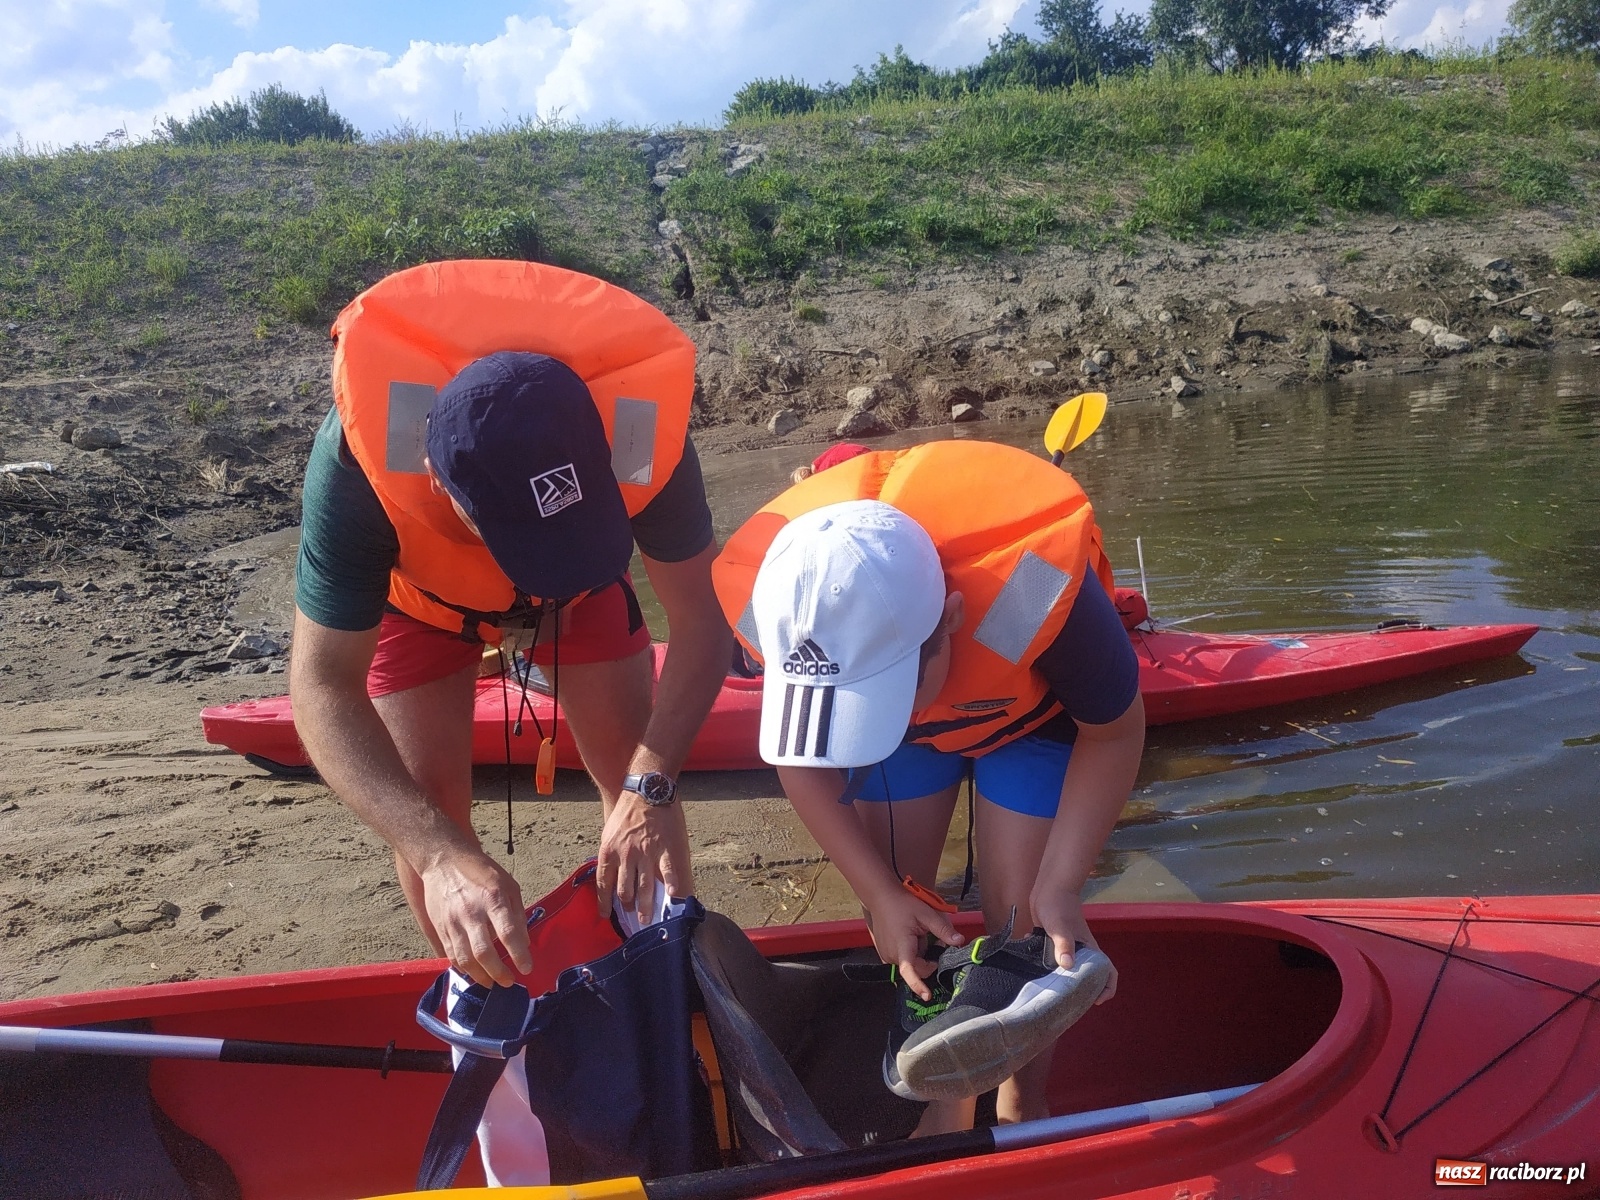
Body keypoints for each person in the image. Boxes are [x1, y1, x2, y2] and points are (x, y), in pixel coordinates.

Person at [289, 261, 733, 990]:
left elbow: (703, 622)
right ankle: (491, 1002)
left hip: (581, 589)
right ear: (439, 483)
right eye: (524, 544)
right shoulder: (358, 473)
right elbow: (321, 685)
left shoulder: (641, 433)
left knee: (633, 764)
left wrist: (649, 784)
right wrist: (436, 854)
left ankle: (668, 976)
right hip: (422, 599)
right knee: (427, 804)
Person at [711, 439, 1144, 1132]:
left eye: (892, 692)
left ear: (950, 617)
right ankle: (943, 1084)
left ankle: (1021, 1102)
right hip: (908, 743)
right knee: (903, 901)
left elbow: (1116, 731)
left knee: (1023, 918)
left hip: (1030, 714)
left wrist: (1062, 885)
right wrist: (878, 895)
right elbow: (798, 757)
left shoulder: (1032, 588)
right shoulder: (785, 603)